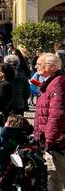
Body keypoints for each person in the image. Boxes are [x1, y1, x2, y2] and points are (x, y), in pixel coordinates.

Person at [33, 53, 65, 191]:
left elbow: (57, 115)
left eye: (39, 64)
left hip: (58, 143)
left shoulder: (58, 83)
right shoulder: (51, 82)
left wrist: (49, 141)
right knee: (53, 177)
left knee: (59, 176)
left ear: (51, 67)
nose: (36, 67)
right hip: (52, 142)